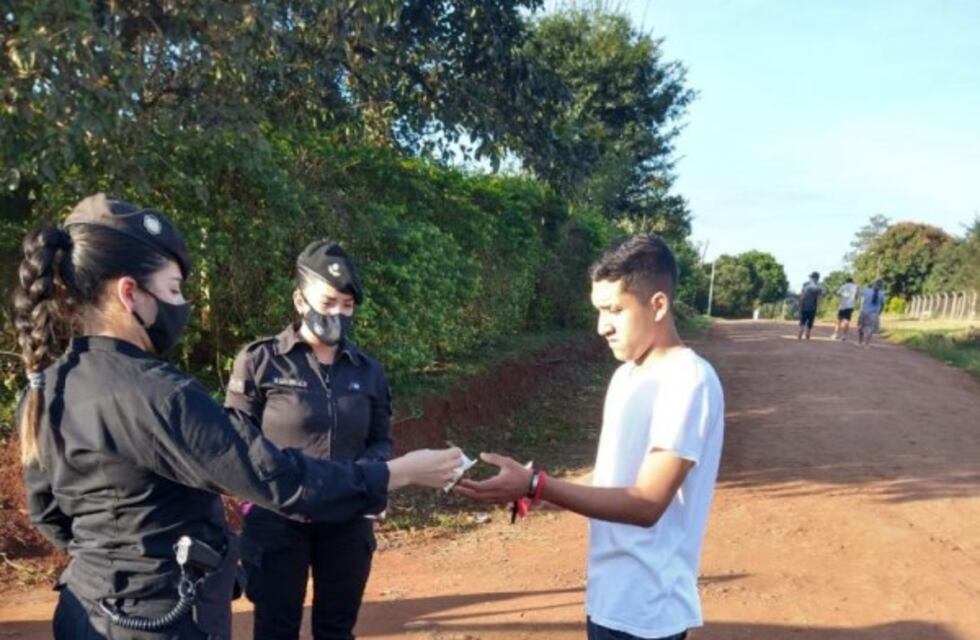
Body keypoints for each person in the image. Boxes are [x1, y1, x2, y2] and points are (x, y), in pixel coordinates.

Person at [12, 193, 462, 640]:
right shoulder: (162, 395)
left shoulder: (44, 387)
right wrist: (394, 474)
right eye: (172, 290)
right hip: (161, 620)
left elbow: (48, 513)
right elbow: (273, 477)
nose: (180, 303)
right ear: (130, 293)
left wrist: (118, 563)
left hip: (86, 611)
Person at [456, 234, 725, 640]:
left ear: (658, 305)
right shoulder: (627, 375)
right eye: (599, 311)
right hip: (608, 599)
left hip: (648, 611)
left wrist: (536, 483)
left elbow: (648, 503)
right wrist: (536, 493)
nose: (602, 326)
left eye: (615, 310)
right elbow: (611, 482)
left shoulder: (688, 381)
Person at [225, 240, 392, 640]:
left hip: (347, 521)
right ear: (300, 300)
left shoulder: (368, 371)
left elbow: (381, 441)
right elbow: (239, 437)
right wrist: (256, 496)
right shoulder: (259, 361)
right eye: (329, 301)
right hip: (278, 519)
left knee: (336, 630)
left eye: (347, 305)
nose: (338, 313)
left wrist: (368, 489)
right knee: (275, 630)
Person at [858, 278, 886, 347]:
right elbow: (882, 305)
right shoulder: (882, 293)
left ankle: (860, 342)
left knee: (861, 327)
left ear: (873, 284)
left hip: (864, 311)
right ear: (882, 286)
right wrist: (879, 313)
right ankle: (866, 344)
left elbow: (859, 291)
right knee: (870, 329)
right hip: (874, 313)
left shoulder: (866, 290)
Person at [797, 271, 822, 340]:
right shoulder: (818, 287)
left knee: (803, 320)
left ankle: (801, 331)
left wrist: (799, 304)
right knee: (810, 321)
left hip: (804, 306)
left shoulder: (805, 285)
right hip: (813, 308)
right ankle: (808, 333)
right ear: (818, 278)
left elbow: (802, 296)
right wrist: (819, 307)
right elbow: (818, 299)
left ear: (811, 278)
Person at [832, 276, 858, 340]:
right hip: (850, 305)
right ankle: (844, 336)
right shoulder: (855, 287)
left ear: (846, 281)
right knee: (847, 321)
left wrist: (842, 296)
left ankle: (835, 334)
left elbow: (837, 293)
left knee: (839, 321)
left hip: (842, 305)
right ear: (852, 281)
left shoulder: (843, 286)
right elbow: (856, 296)